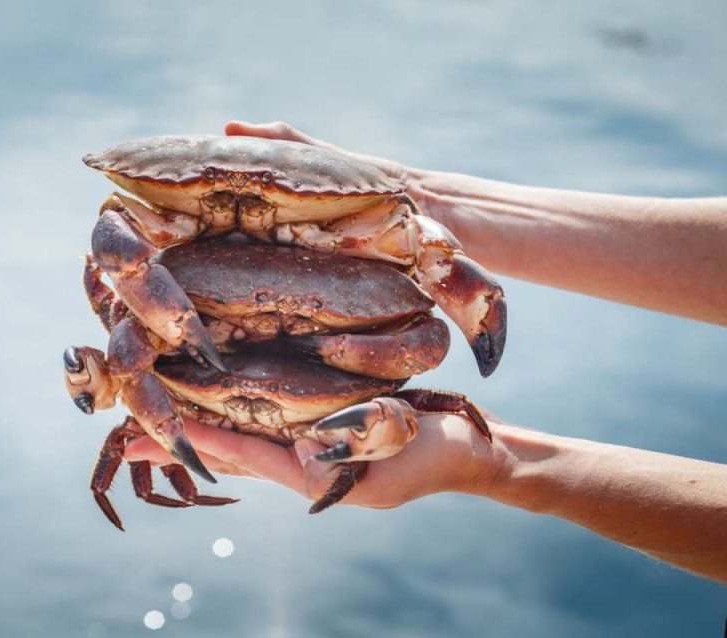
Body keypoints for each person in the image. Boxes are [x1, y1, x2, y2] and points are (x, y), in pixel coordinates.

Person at [124, 121, 727, 582]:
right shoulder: (129, 231)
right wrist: (425, 196)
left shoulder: (400, 242)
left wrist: (501, 463)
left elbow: (428, 327)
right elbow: (116, 275)